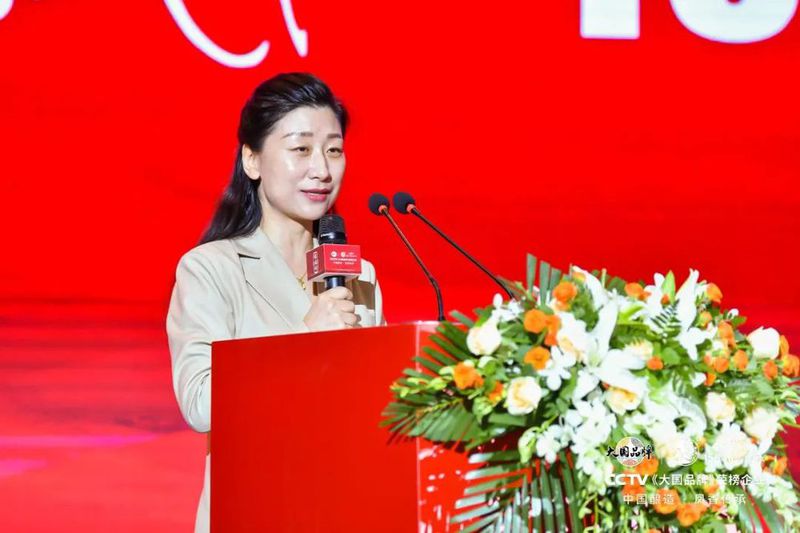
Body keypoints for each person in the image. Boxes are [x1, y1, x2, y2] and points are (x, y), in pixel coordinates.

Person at [165, 72, 384, 533]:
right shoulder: (210, 269)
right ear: (252, 160)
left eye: (333, 150)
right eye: (301, 149)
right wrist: (305, 340)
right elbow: (200, 404)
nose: (322, 169)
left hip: (346, 510)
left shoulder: (358, 274)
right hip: (256, 510)